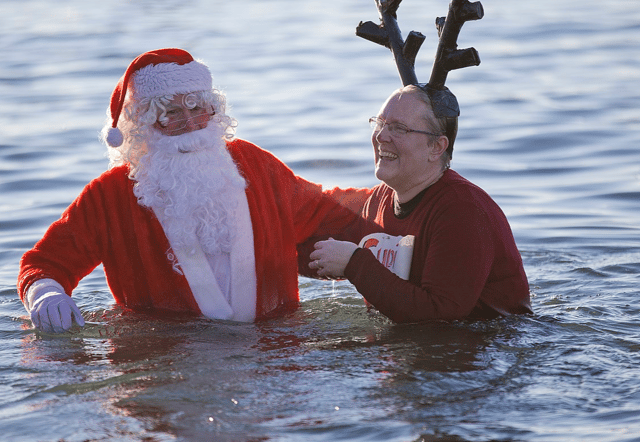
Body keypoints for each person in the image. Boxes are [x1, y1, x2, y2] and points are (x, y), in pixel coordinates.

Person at [17, 48, 363, 333]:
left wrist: (402, 203)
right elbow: (45, 263)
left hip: (273, 357)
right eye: (170, 112)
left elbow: (331, 212)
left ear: (214, 110)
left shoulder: (256, 166)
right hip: (168, 362)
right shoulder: (110, 195)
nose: (190, 123)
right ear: (142, 124)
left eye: (198, 107)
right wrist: (46, 294)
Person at [308, 84, 532, 323]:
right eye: (380, 123)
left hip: (491, 342)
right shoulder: (378, 201)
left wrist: (354, 263)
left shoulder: (463, 211)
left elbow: (439, 316)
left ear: (436, 147)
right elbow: (321, 249)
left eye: (398, 128)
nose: (381, 136)